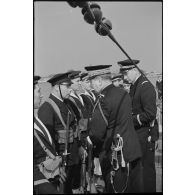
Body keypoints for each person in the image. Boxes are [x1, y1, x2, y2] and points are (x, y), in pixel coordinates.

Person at [84, 65, 143, 193]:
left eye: (92, 81)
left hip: (115, 156)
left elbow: (97, 134)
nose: (91, 85)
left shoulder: (103, 100)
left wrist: (90, 141)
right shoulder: (123, 93)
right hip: (132, 151)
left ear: (99, 80)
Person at [37, 73, 84, 193]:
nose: (70, 89)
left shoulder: (68, 103)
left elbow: (75, 127)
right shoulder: (47, 108)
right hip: (61, 161)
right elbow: (47, 140)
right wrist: (56, 164)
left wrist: (79, 147)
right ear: (57, 87)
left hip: (72, 158)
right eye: (67, 86)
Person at [118, 59, 158, 192]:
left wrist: (131, 120)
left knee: (145, 172)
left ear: (135, 70)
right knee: (136, 172)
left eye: (126, 73)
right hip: (136, 135)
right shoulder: (136, 85)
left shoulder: (145, 86)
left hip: (144, 135)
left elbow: (150, 114)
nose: (124, 77)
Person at [34, 76, 65, 194]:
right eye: (38, 92)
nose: (41, 95)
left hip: (49, 173)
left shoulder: (35, 119)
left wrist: (56, 167)